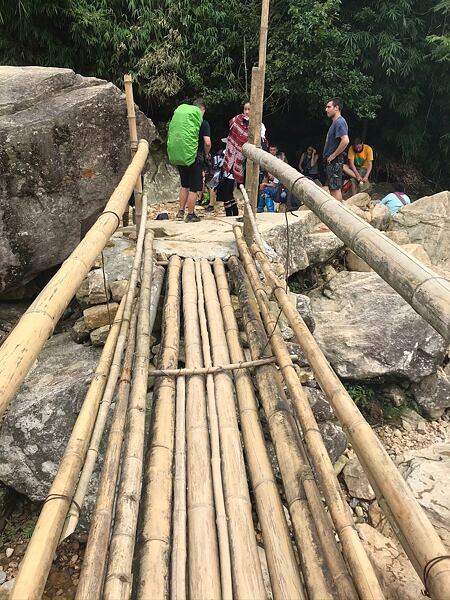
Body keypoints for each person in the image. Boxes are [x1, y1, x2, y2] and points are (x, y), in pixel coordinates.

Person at [175, 98, 211, 222]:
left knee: (184, 185)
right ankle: (190, 214)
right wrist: (206, 154)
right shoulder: (203, 123)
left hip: (182, 156)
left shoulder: (186, 122)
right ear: (203, 109)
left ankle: (180, 212)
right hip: (195, 159)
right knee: (194, 188)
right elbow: (207, 142)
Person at [220, 101, 252, 216]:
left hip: (244, 162)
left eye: (249, 109)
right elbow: (232, 127)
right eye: (245, 109)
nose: (246, 112)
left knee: (241, 190)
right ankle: (231, 214)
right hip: (230, 161)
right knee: (226, 191)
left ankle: (238, 214)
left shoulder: (257, 126)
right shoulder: (237, 120)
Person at [323, 97, 349, 201]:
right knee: (332, 188)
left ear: (336, 108)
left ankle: (338, 211)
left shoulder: (339, 122)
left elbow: (345, 140)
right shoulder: (336, 123)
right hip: (332, 160)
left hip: (335, 160)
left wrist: (334, 155)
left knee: (335, 189)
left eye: (329, 107)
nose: (326, 109)